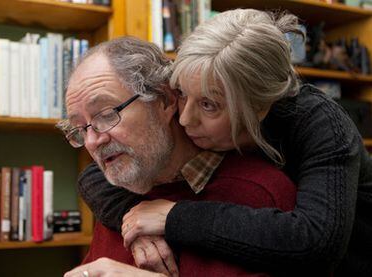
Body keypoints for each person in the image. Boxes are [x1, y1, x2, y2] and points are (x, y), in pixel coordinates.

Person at [77, 9, 372, 277]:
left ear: (259, 107)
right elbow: (95, 175)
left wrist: (172, 216)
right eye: (181, 93)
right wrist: (137, 219)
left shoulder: (320, 125)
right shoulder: (197, 107)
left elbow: (316, 244)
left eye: (208, 105)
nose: (184, 119)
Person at [59, 36, 298, 277]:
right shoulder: (120, 199)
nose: (92, 141)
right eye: (79, 129)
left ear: (164, 99)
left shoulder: (263, 194)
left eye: (107, 114)